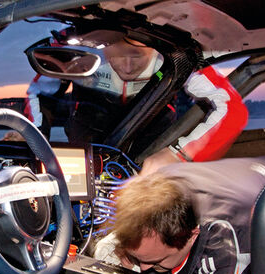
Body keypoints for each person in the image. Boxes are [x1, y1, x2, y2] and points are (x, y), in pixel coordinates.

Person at [25, 29, 248, 171]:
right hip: (85, 155)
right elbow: (39, 93)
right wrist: (35, 143)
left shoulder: (175, 53)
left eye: (137, 56)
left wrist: (179, 155)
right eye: (118, 55)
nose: (127, 67)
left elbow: (232, 109)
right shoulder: (77, 49)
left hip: (150, 155)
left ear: (155, 48)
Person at [110, 154, 265, 274]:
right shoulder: (155, 187)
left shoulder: (222, 241)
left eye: (155, 261)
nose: (143, 268)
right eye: (139, 259)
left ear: (193, 235)